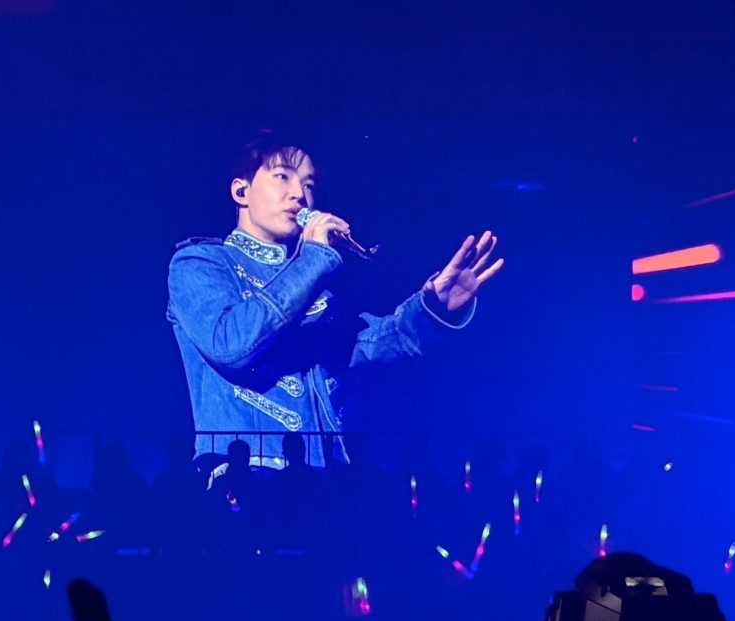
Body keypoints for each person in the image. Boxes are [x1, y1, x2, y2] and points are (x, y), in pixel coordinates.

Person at [167, 129, 503, 476]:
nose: (299, 194)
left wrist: (431, 307)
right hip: (245, 478)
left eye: (309, 185)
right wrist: (312, 261)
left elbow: (366, 347)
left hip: (322, 482)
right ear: (242, 190)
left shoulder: (314, 283)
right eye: (282, 177)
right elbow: (231, 346)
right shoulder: (201, 263)